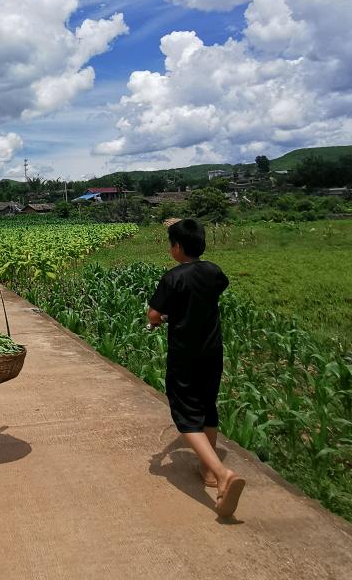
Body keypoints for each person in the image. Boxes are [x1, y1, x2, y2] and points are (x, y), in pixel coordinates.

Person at [146, 217, 246, 518]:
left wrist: (158, 320)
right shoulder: (214, 272)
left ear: (177, 247)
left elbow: (154, 314)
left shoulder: (173, 278)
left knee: (185, 414)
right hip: (212, 351)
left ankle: (221, 473)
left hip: (185, 355)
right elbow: (211, 293)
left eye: (170, 244)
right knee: (207, 407)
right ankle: (209, 472)